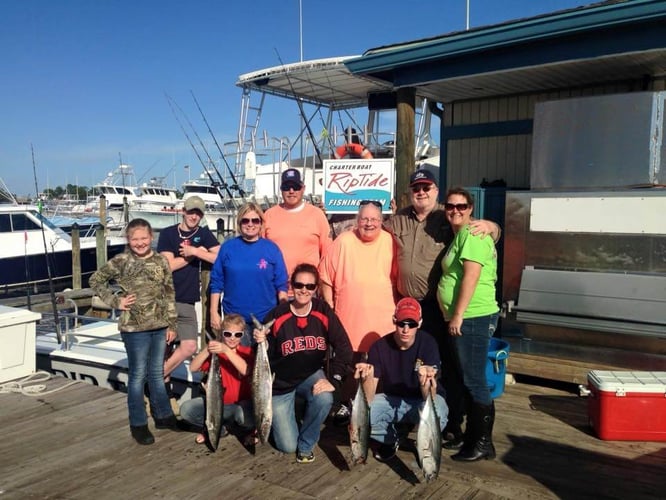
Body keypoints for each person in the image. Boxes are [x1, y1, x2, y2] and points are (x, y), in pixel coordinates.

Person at [385, 168, 500, 448]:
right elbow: (369, 225)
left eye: (427, 187)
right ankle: (412, 418)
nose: (421, 192)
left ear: (436, 191)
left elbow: (483, 234)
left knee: (447, 366)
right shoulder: (398, 219)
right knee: (408, 361)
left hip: (439, 308)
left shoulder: (446, 216)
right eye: (416, 188)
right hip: (407, 305)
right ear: (409, 192)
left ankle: (451, 423)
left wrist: (494, 227)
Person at [90, 218, 181, 445]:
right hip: (134, 328)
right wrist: (115, 301)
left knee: (156, 373)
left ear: (151, 237)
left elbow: (169, 293)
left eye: (143, 238)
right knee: (138, 375)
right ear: (128, 240)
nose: (140, 243)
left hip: (160, 326)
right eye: (135, 239)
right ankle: (138, 423)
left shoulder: (161, 260)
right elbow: (96, 280)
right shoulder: (122, 261)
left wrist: (172, 325)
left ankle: (164, 416)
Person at [253, 263, 353, 463]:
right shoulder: (276, 316)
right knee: (287, 446)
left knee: (325, 397)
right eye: (299, 285)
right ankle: (285, 419)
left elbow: (344, 346)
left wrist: (334, 379)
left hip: (309, 375)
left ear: (316, 289)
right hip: (281, 385)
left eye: (310, 286)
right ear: (292, 285)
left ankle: (306, 444)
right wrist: (261, 341)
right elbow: (264, 361)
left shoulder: (323, 310)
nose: (304, 290)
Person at [319, 200, 397, 423]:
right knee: (348, 366)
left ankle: (374, 410)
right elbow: (325, 276)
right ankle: (347, 404)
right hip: (348, 320)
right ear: (357, 220)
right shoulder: (344, 240)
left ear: (382, 221)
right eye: (364, 219)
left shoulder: (391, 241)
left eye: (374, 219)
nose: (369, 223)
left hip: (382, 323)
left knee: (378, 368)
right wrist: (330, 306)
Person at [437, 187, 500, 462]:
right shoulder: (459, 235)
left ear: (471, 208)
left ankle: (483, 442)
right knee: (467, 378)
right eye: (450, 206)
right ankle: (471, 437)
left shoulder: (473, 234)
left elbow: (471, 276)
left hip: (473, 316)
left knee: (475, 381)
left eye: (461, 206)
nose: (455, 210)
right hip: (463, 317)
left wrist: (458, 314)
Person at [354, 297, 449, 462]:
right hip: (392, 399)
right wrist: (366, 379)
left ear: (419, 323)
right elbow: (368, 400)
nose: (406, 329)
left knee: (439, 414)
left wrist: (424, 383)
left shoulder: (428, 343)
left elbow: (431, 400)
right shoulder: (379, 346)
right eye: (401, 323)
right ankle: (392, 437)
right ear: (394, 321)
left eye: (411, 324)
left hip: (422, 400)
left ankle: (424, 446)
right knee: (359, 419)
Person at [157, 195, 220, 381]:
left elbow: (220, 257)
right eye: (191, 212)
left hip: (188, 300)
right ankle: (161, 389)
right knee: (163, 347)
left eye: (198, 213)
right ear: (183, 211)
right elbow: (168, 266)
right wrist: (192, 256)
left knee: (189, 346)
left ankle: (156, 378)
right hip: (165, 299)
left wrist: (196, 251)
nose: (194, 216)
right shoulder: (168, 234)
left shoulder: (204, 234)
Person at [209, 202, 289, 343]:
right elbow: (216, 282)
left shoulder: (271, 249)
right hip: (235, 321)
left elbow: (281, 284)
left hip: (266, 319)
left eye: (255, 220)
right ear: (239, 223)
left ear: (260, 223)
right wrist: (213, 312)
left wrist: (282, 315)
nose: (250, 224)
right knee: (236, 362)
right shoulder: (228, 248)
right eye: (245, 220)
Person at [179, 313, 256, 445]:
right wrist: (208, 350)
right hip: (218, 403)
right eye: (227, 334)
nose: (232, 338)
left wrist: (226, 350)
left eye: (237, 335)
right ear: (222, 334)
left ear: (242, 335)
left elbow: (246, 370)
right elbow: (193, 367)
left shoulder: (247, 351)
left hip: (241, 405)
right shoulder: (216, 352)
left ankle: (247, 431)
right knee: (186, 410)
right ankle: (217, 429)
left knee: (244, 416)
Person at [263, 168, 332, 294]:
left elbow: (327, 255)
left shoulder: (317, 215)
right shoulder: (268, 215)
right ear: (281, 189)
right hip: (276, 291)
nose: (291, 191)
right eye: (286, 187)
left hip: (308, 291)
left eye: (295, 187)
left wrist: (322, 286)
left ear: (303, 188)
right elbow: (260, 253)